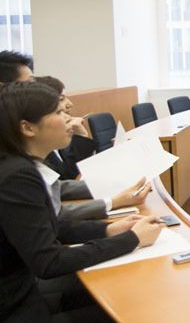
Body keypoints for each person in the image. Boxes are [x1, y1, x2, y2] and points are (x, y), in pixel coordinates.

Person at [0, 81, 162, 323]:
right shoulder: (17, 176)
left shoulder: (17, 167)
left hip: (16, 302)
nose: (70, 117)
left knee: (97, 296)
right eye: (59, 112)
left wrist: (109, 231)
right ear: (27, 127)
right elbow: (48, 262)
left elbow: (53, 226)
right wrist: (132, 239)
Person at [33, 76, 150, 222]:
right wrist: (114, 202)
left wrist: (117, 184)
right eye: (61, 100)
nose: (69, 105)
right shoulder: (24, 163)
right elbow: (59, 203)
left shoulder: (52, 142)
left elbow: (66, 179)